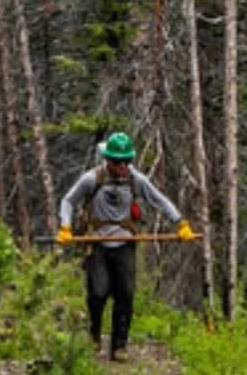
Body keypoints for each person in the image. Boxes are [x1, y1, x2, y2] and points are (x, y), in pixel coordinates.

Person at [56, 131, 194, 361]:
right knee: (98, 292)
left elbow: (159, 200)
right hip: (97, 244)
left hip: (125, 243)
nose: (122, 166)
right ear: (108, 160)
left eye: (126, 161)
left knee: (125, 295)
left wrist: (181, 223)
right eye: (117, 162)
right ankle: (94, 334)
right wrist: (65, 226)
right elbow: (68, 201)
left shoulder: (136, 180)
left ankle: (120, 345)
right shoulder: (91, 179)